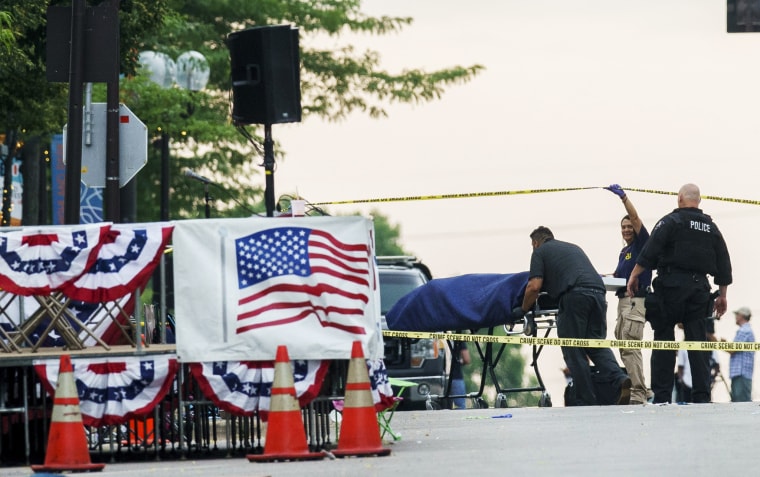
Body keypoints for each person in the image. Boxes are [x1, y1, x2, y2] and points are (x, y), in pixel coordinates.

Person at [627, 183, 732, 404]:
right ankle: (702, 397)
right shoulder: (711, 227)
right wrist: (722, 295)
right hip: (698, 291)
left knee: (663, 341)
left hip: (670, 288)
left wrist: (634, 275)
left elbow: (650, 250)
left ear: (680, 198)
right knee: (697, 343)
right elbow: (724, 261)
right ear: (698, 201)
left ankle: (663, 396)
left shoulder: (670, 221)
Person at [512, 226, 631, 406]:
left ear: (536, 243)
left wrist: (522, 309)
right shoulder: (572, 247)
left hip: (575, 295)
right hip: (598, 293)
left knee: (572, 348)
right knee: (595, 344)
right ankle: (619, 380)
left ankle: (586, 399)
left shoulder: (540, 252)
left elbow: (534, 286)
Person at [605, 184, 651, 405]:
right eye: (623, 227)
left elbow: (635, 216)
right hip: (622, 302)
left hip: (635, 301)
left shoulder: (643, 244)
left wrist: (623, 197)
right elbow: (616, 275)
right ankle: (641, 387)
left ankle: (639, 392)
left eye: (629, 226)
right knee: (625, 347)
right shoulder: (625, 252)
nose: (626, 230)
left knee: (631, 346)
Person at [726, 306, 754, 402]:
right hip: (741, 373)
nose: (736, 317)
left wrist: (720, 344)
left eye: (737, 314)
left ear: (742, 316)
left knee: (741, 405)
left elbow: (732, 350)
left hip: (741, 373)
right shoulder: (746, 330)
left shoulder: (744, 331)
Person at [448, 340, 471, 409]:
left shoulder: (437, 336)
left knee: (442, 405)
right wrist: (459, 362)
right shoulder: (458, 337)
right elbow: (466, 359)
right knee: (460, 405)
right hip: (456, 376)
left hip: (439, 375)